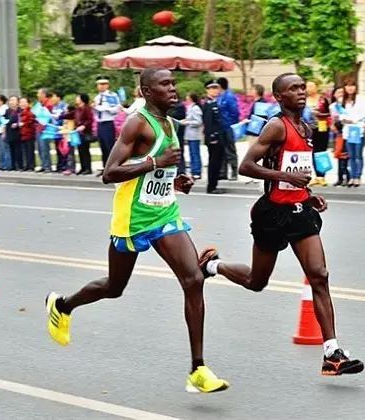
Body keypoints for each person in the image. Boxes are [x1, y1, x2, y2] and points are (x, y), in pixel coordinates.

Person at [45, 68, 229, 394]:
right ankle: (63, 306)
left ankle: (197, 369)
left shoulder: (169, 123)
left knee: (194, 279)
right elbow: (110, 173)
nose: (173, 89)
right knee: (114, 287)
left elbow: (157, 174)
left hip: (164, 214)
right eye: (165, 84)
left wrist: (176, 181)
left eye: (173, 84)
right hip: (133, 218)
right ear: (146, 90)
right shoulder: (137, 123)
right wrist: (156, 163)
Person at [198, 73, 364, 377]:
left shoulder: (307, 126)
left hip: (300, 211)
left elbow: (297, 168)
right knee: (256, 282)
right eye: (293, 89)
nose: (301, 93)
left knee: (319, 275)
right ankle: (211, 266)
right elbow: (247, 166)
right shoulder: (276, 126)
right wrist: (287, 179)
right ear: (279, 96)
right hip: (272, 215)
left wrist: (309, 194)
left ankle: (332, 353)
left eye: (303, 87)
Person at [340, 79, 365, 187]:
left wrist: (354, 120)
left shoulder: (361, 98)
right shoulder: (343, 100)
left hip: (358, 129)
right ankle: (352, 176)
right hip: (348, 130)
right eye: (347, 86)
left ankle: (357, 176)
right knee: (351, 156)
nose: (350, 88)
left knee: (358, 155)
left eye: (352, 86)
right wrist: (345, 119)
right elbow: (341, 113)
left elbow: (364, 112)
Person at [202, 79, 226, 194]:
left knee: (217, 162)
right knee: (214, 162)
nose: (216, 90)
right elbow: (208, 123)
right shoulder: (208, 104)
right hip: (214, 139)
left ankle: (214, 184)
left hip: (219, 137)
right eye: (213, 88)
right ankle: (211, 187)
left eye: (217, 88)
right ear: (208, 90)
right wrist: (212, 138)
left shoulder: (216, 103)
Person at [94, 76, 120, 175]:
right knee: (103, 147)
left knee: (110, 147)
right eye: (99, 84)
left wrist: (102, 108)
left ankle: (112, 168)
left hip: (108, 123)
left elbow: (115, 110)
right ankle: (105, 167)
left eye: (103, 84)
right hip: (100, 123)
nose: (101, 87)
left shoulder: (112, 96)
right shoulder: (97, 97)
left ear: (107, 85)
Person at [305, 81, 330, 187]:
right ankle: (316, 176)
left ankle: (322, 176)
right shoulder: (304, 100)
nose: (309, 88)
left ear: (316, 87)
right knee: (312, 151)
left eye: (311, 86)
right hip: (309, 128)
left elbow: (329, 113)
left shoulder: (323, 99)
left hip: (322, 126)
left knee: (321, 152)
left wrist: (319, 114)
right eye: (307, 86)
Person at [217, 77, 239, 180]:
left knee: (230, 150)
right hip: (221, 127)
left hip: (228, 127)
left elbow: (234, 112)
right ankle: (223, 173)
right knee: (222, 150)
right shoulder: (220, 97)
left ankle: (234, 172)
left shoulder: (229, 97)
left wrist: (230, 124)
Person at [180, 93, 203, 179]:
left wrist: (187, 123)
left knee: (195, 153)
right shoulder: (190, 108)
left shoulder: (195, 108)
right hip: (189, 135)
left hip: (194, 135)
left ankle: (197, 171)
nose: (186, 100)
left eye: (188, 98)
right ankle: (194, 171)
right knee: (191, 153)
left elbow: (198, 121)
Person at [18, 97, 36, 171]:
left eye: (24, 102)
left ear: (28, 103)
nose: (22, 104)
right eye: (21, 102)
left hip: (29, 133)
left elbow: (32, 121)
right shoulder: (20, 113)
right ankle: (26, 165)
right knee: (24, 151)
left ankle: (31, 165)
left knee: (30, 150)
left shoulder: (31, 112)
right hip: (22, 134)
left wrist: (23, 124)